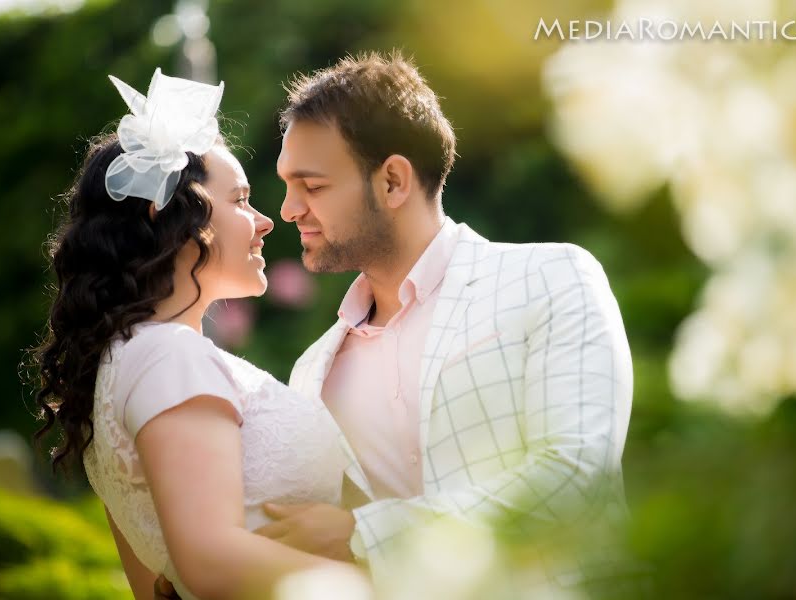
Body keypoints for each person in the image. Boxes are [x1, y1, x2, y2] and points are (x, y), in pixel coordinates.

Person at [255, 50, 634, 591]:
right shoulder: (312, 370)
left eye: (312, 187)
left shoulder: (553, 276)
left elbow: (576, 474)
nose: (289, 209)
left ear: (392, 182)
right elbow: (304, 534)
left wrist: (365, 533)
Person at [32, 69, 353, 600]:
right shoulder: (169, 355)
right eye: (241, 200)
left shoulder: (122, 364)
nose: (265, 220)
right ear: (171, 214)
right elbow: (207, 558)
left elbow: (155, 589)